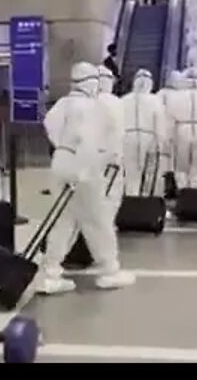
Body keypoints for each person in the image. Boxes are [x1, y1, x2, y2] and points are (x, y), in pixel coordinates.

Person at [38, 62, 135, 294]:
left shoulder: (62, 104)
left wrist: (64, 146)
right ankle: (109, 270)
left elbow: (49, 126)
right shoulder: (93, 107)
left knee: (63, 220)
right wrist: (96, 164)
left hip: (60, 161)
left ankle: (50, 273)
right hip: (84, 167)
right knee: (98, 219)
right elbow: (91, 141)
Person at [120, 69, 168, 196]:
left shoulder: (124, 100)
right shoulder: (155, 101)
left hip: (128, 137)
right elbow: (160, 122)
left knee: (130, 172)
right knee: (149, 173)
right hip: (149, 138)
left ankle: (131, 199)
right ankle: (145, 200)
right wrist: (161, 143)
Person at [96, 65, 126, 219]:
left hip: (90, 154)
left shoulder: (87, 100)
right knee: (113, 188)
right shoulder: (116, 102)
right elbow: (122, 129)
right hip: (112, 153)